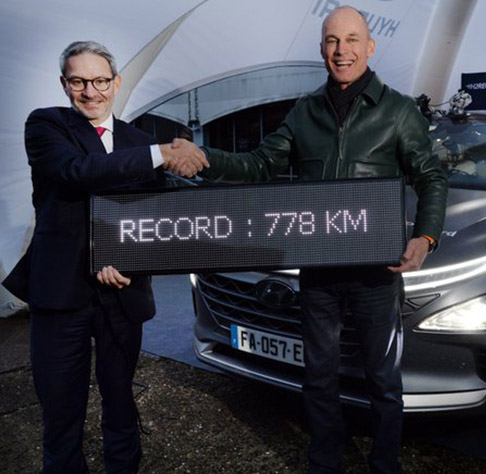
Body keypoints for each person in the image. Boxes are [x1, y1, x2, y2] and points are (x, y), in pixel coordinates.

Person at [170, 6, 448, 473]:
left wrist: (425, 237)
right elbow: (259, 164)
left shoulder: (399, 111)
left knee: (382, 379)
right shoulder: (304, 112)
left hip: (377, 275)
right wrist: (207, 157)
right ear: (322, 49)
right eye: (333, 41)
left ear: (370, 46)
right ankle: (324, 462)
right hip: (319, 271)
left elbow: (431, 178)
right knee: (318, 378)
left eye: (352, 40)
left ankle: (385, 464)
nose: (342, 51)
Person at [2, 41, 207, 473]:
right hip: (61, 294)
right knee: (61, 413)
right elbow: (75, 173)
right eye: (78, 81)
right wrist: (162, 154)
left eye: (99, 81)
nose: (90, 91)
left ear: (115, 84)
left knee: (120, 404)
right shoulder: (46, 127)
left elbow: (156, 219)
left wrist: (128, 261)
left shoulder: (136, 138)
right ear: (64, 84)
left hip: (122, 296)